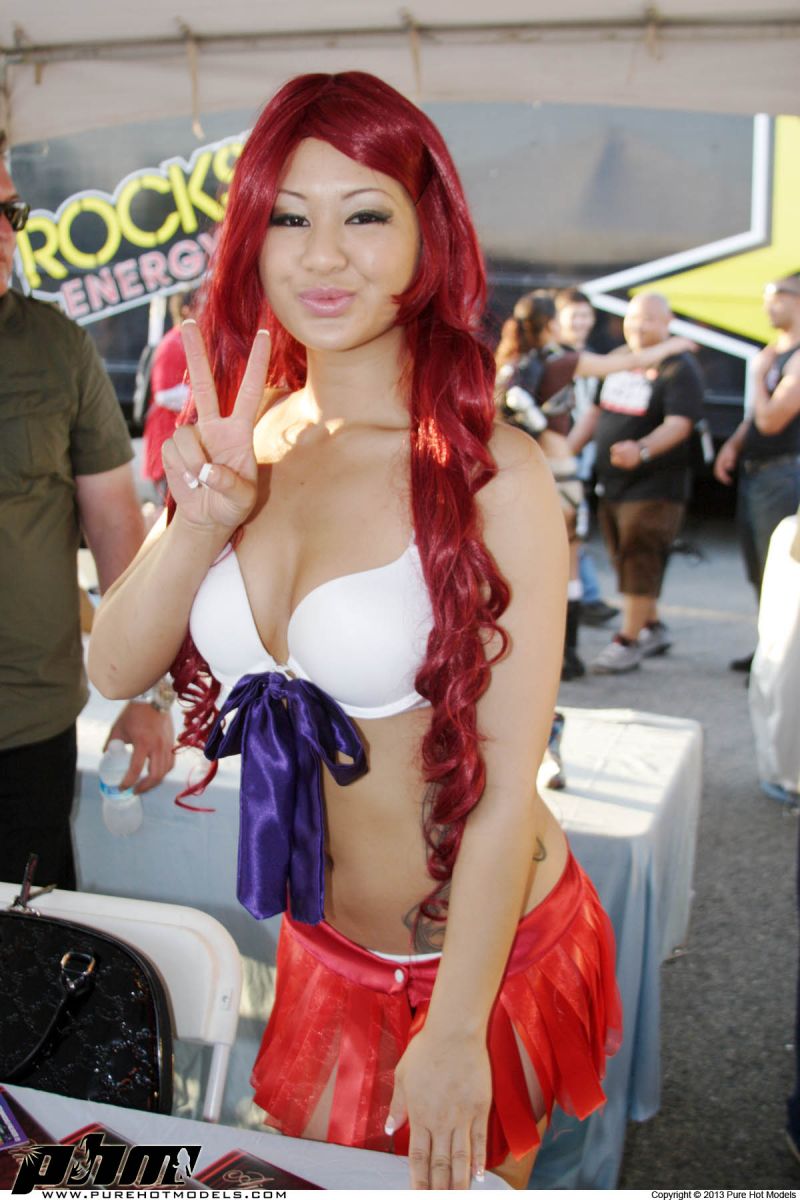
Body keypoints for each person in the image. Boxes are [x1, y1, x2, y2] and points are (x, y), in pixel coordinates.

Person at [88, 72, 622, 1191]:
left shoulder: (492, 475)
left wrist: (456, 1026)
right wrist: (201, 520)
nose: (322, 256)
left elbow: (506, 783)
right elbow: (115, 662)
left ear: (429, 236)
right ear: (251, 238)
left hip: (482, 959)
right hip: (323, 950)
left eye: (365, 214)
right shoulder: (250, 438)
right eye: (289, 218)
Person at [0, 144, 175, 891]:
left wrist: (145, 691)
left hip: (27, 735)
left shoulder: (57, 347)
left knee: (32, 946)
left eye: (9, 212)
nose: (3, 231)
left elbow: (116, 530)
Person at [495, 289, 692, 681]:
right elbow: (628, 362)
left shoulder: (510, 362)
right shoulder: (563, 361)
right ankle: (565, 656)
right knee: (566, 561)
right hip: (558, 468)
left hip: (522, 467)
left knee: (520, 559)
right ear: (551, 324)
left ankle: (524, 649)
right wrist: (673, 345)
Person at [569, 292, 704, 674]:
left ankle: (626, 641)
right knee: (624, 558)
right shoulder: (619, 359)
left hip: (656, 486)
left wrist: (642, 450)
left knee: (639, 555)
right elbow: (594, 414)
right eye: (632, 318)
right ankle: (652, 626)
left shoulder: (680, 367)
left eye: (648, 319)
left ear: (667, 321)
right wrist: (563, 453)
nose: (638, 327)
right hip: (613, 485)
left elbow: (679, 424)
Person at [714, 273, 800, 673]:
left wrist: (756, 375)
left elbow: (770, 420)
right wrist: (732, 446)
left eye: (778, 296)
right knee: (758, 567)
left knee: (781, 569)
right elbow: (755, 419)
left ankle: (783, 659)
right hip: (758, 474)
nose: (769, 305)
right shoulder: (775, 354)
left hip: (784, 474)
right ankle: (769, 648)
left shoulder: (794, 358)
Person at [555, 287, 619, 628]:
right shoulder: (554, 358)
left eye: (586, 316)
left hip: (579, 456)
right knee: (570, 530)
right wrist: (565, 451)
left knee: (574, 529)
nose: (581, 322)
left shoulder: (593, 358)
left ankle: (584, 597)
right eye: (574, 315)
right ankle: (584, 597)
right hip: (562, 455)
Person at [141, 288, 196, 502]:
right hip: (167, 447)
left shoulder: (186, 340)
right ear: (186, 310)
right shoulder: (173, 343)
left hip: (177, 449)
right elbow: (164, 394)